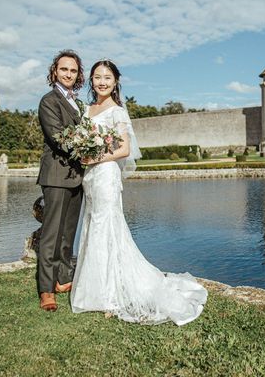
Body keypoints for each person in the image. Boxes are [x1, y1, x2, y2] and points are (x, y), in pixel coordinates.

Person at [70, 60, 207, 325]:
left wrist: (94, 158)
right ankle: (93, 290)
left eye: (107, 77)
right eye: (97, 77)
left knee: (106, 227)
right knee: (92, 225)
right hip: (91, 177)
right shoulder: (87, 110)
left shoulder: (117, 111)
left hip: (106, 174)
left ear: (115, 81)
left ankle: (109, 295)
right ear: (91, 80)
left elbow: (124, 150)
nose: (102, 82)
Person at [36, 50, 85, 312]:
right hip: (56, 175)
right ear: (55, 71)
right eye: (64, 69)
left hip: (77, 177)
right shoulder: (49, 101)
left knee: (68, 233)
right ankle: (46, 289)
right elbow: (57, 137)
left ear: (78, 75)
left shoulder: (78, 103)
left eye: (73, 70)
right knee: (51, 235)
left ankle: (63, 279)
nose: (68, 74)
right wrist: (90, 150)